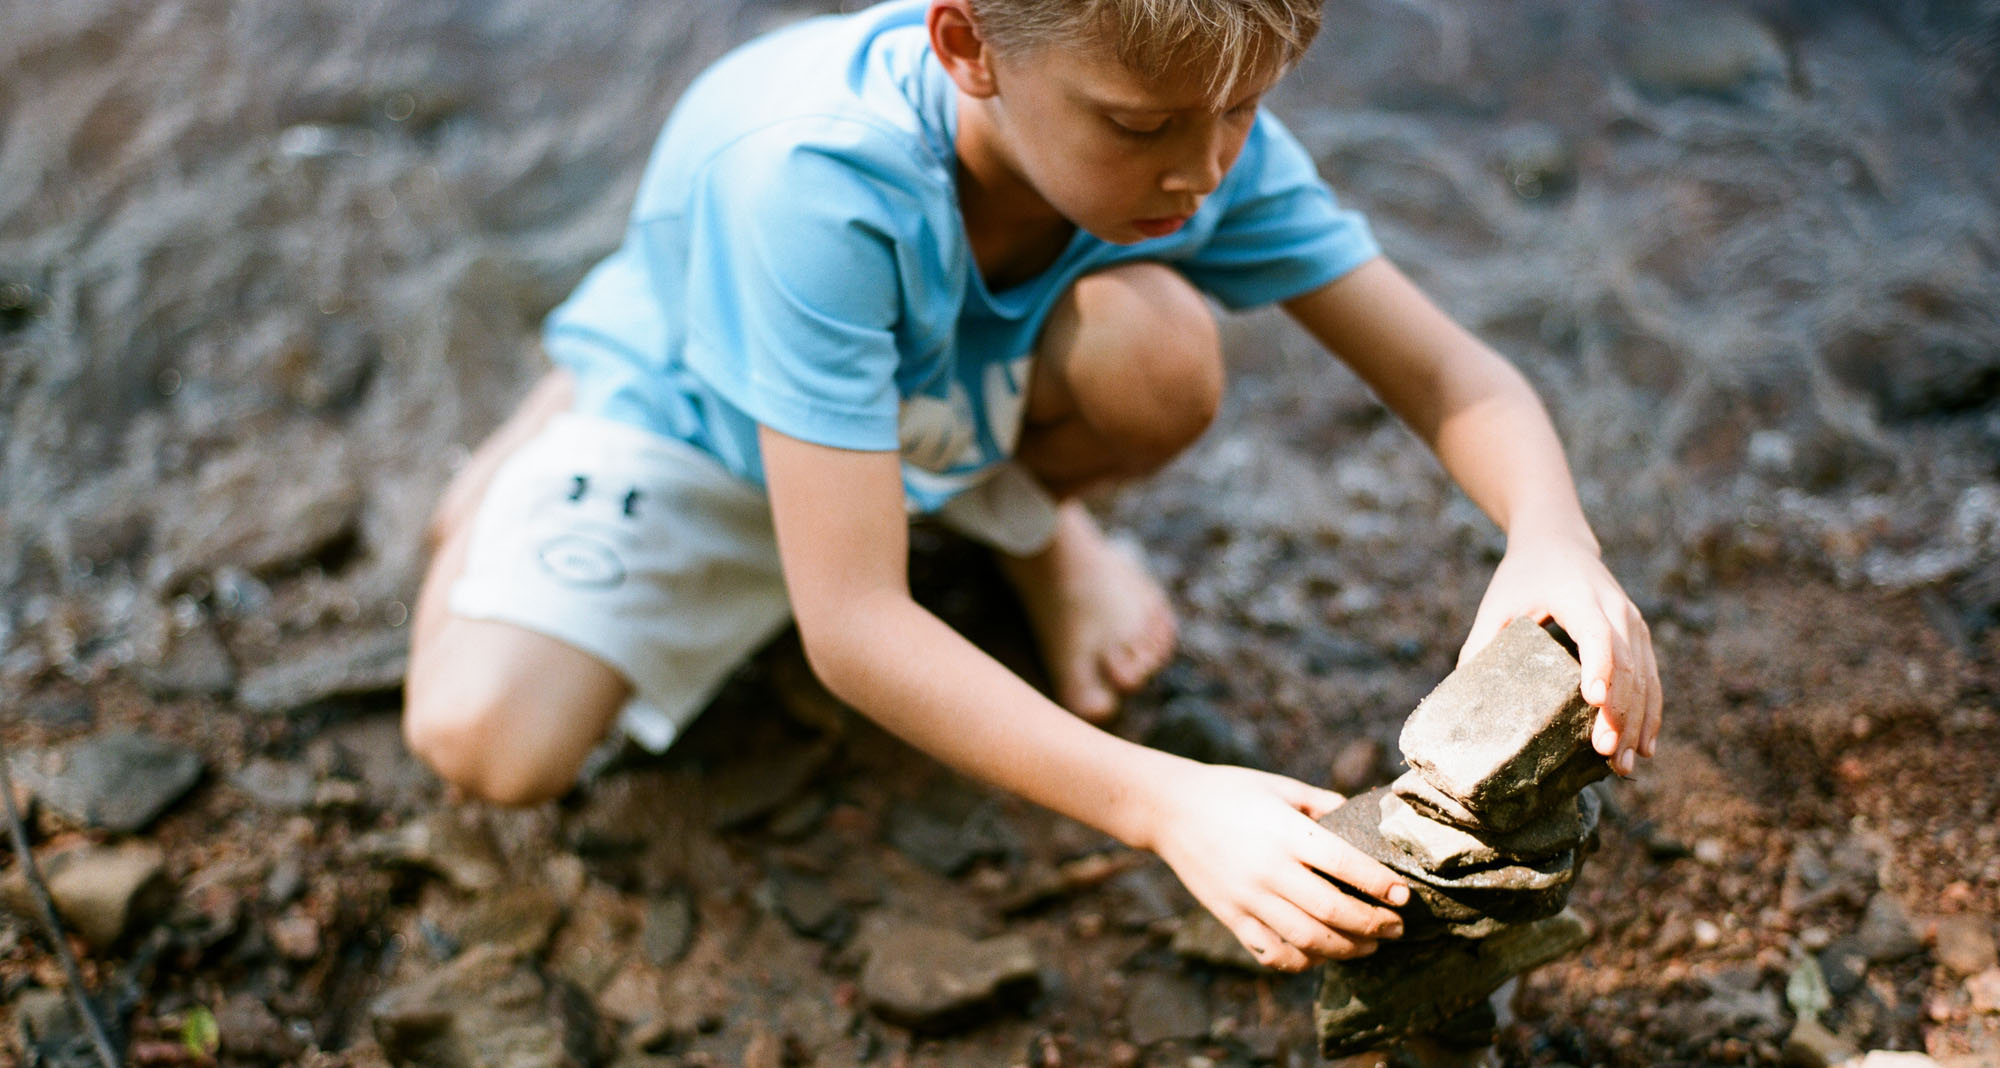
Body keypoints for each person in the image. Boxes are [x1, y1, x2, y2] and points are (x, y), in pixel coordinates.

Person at [403, 0, 1662, 975]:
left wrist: (1552, 537)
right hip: (699, 423)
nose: (1204, 171)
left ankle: (1032, 532)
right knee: (486, 743)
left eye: (1242, 113)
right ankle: (537, 421)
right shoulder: (809, 179)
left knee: (1160, 353)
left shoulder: (1188, 107)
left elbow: (1447, 370)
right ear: (965, 46)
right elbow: (853, 628)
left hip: (919, 409)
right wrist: (1162, 800)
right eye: (1140, 126)